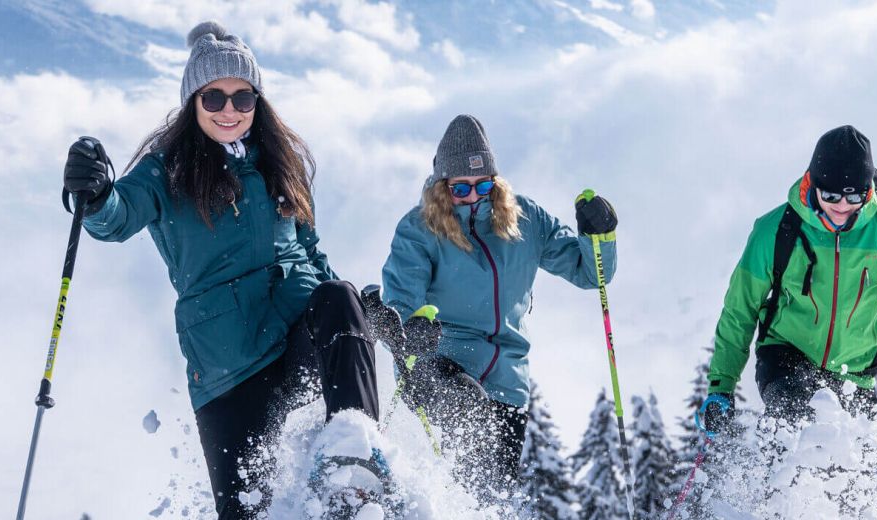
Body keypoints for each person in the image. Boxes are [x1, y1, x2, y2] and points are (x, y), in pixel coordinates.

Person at [61, 21, 380, 518]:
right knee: (246, 510)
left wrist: (358, 314)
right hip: (229, 369)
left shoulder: (282, 164)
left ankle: (352, 469)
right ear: (193, 101)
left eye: (242, 97)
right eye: (214, 98)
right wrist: (97, 194)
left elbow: (312, 254)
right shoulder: (166, 171)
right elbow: (117, 217)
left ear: (258, 101)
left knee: (340, 295)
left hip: (295, 336)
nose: (229, 110)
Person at [379, 114, 619, 500]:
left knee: (492, 497)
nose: (473, 196)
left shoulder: (526, 220)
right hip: (438, 365)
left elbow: (589, 273)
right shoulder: (420, 229)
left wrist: (599, 236)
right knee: (467, 440)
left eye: (484, 185)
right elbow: (400, 299)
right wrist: (410, 327)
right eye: (460, 188)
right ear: (441, 186)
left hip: (508, 385)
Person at [701, 125, 877, 430]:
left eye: (854, 197)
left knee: (853, 455)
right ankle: (771, 459)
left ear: (868, 191)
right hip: (787, 354)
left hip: (856, 371)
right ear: (812, 184)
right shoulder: (776, 231)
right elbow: (740, 310)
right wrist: (721, 386)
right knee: (796, 426)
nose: (842, 207)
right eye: (831, 195)